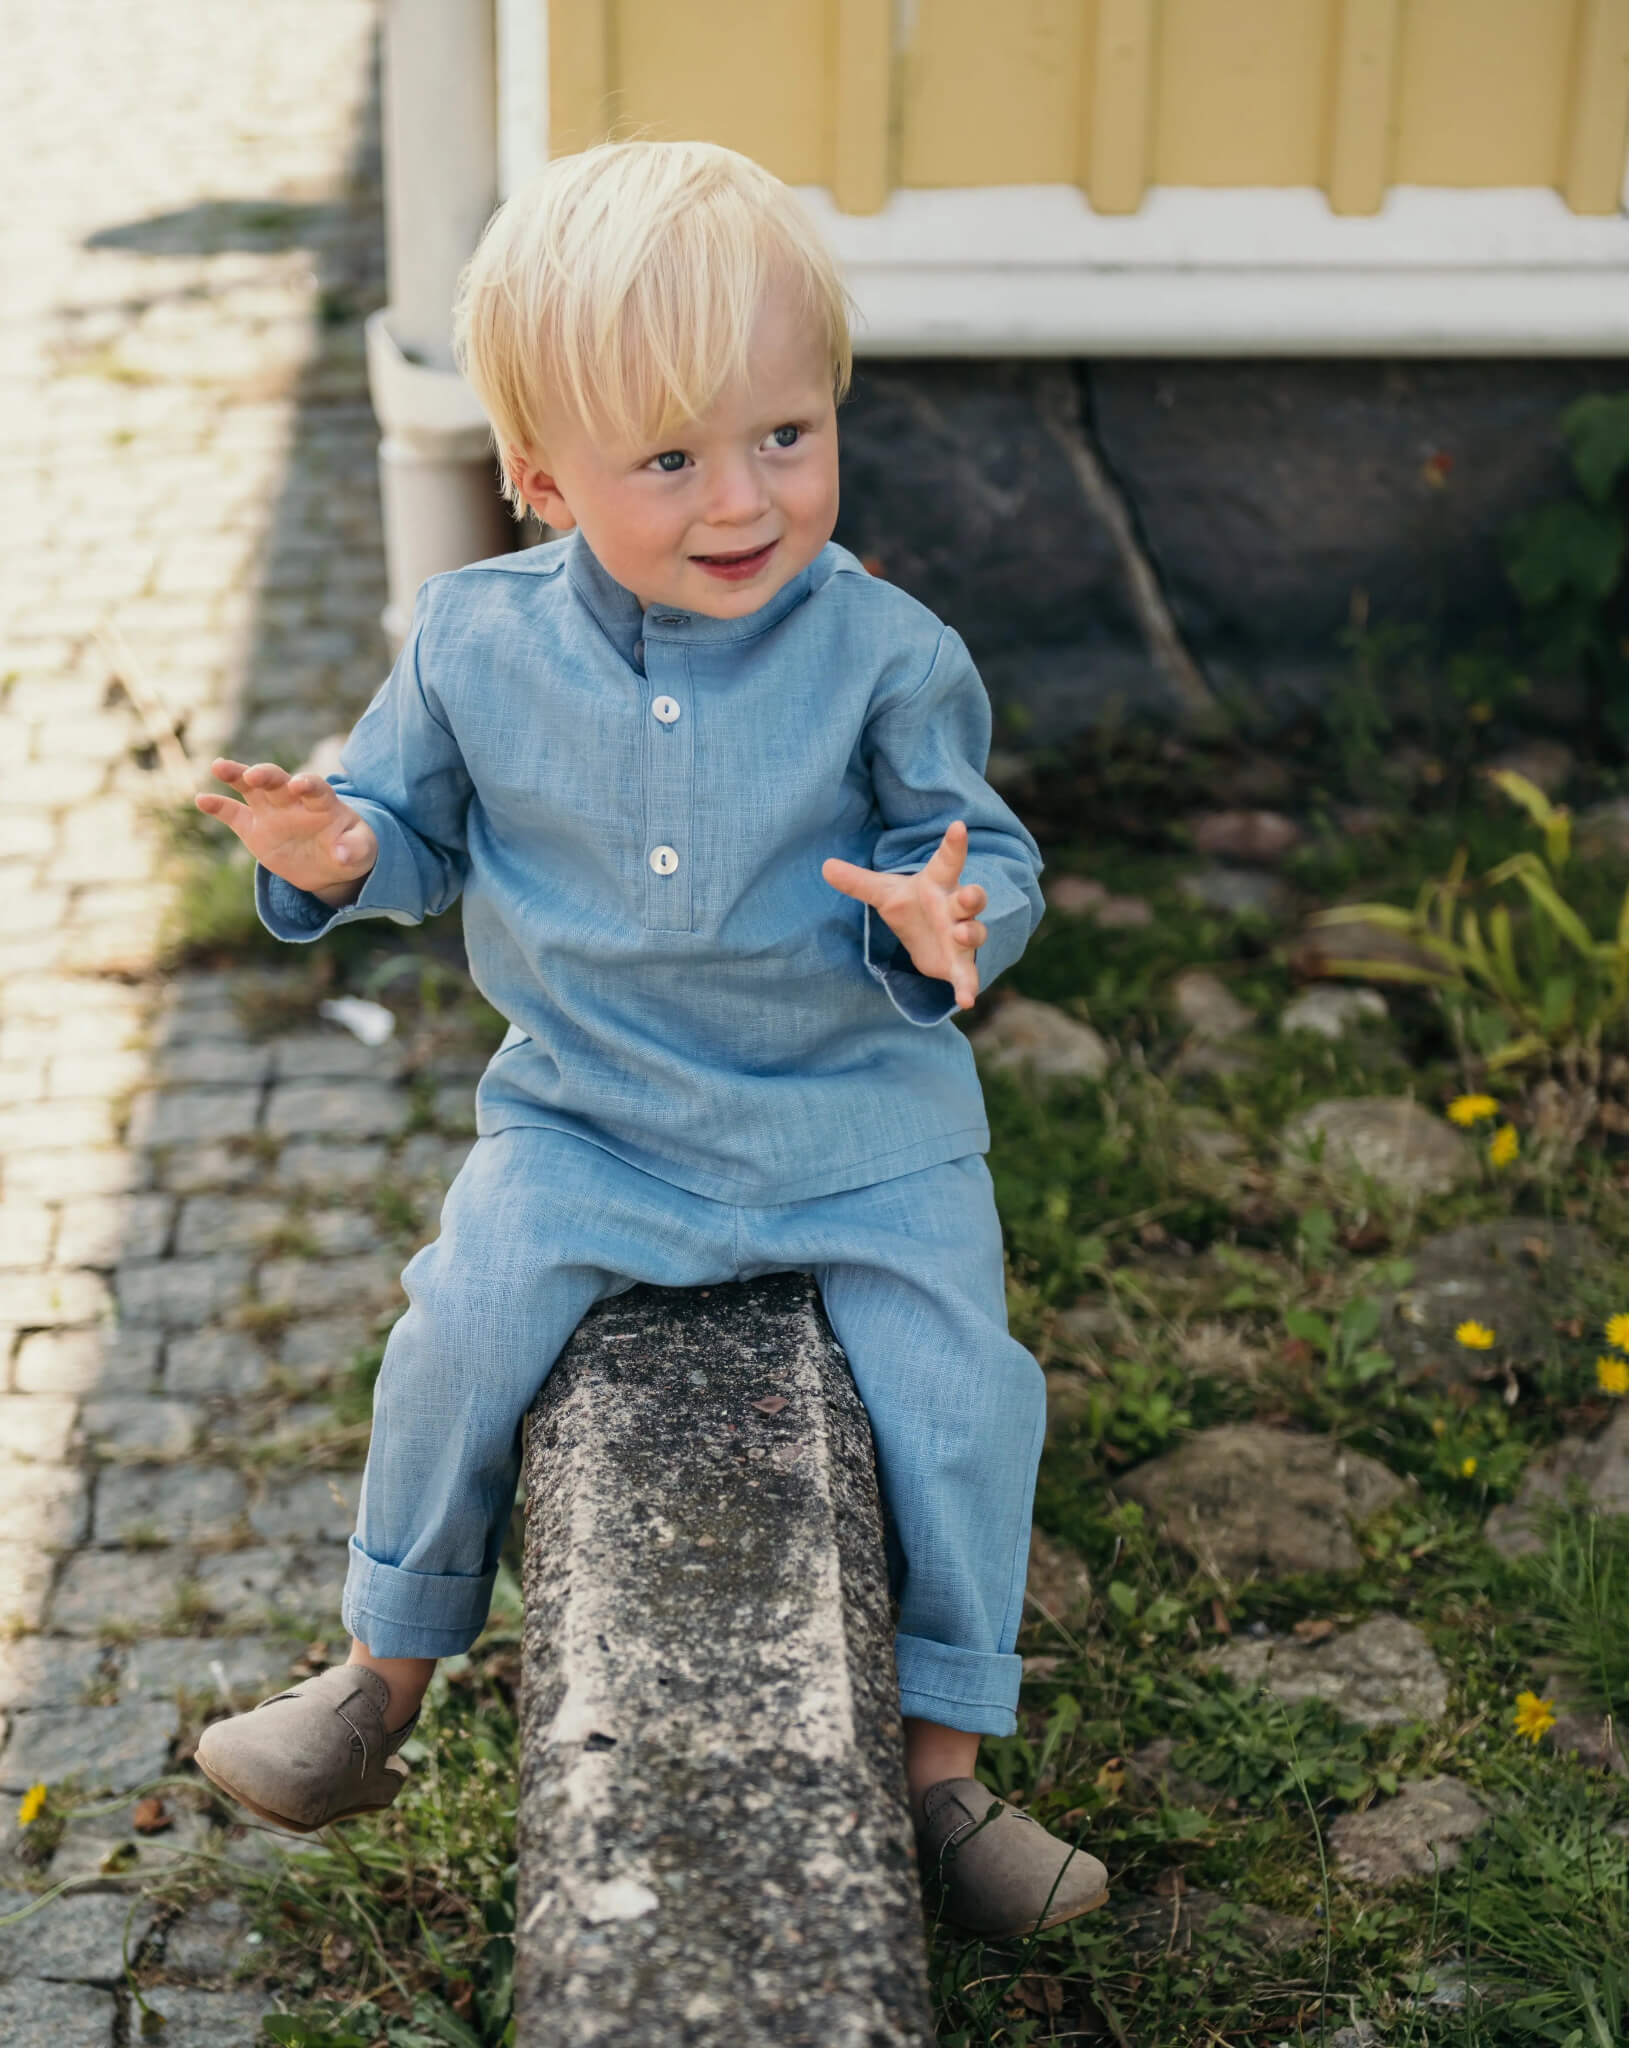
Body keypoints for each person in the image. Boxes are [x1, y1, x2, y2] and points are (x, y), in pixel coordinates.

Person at [191, 138, 1106, 1937]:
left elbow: (975, 844)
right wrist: (338, 847)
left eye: (784, 434)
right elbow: (408, 821)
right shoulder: (470, 642)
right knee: (459, 1320)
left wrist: (954, 912)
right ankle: (379, 1674)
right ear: (540, 479)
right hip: (592, 1122)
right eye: (670, 459)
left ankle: (939, 1774)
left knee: (961, 1392)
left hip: (862, 1121)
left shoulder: (887, 652)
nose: (742, 499)